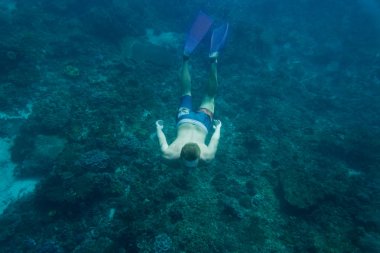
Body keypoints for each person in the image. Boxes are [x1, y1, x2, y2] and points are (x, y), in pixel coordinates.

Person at [155, 12, 228, 168]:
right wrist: (158, 127)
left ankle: (213, 60)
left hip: (201, 122)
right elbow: (162, 141)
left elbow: (215, 139)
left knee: (209, 97)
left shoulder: (207, 156)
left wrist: (218, 128)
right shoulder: (170, 154)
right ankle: (186, 57)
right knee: (187, 91)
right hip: (185, 119)